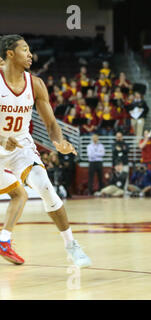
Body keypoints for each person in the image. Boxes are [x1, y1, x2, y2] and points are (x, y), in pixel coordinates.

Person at [0, 35, 91, 267]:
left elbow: (50, 124)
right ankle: (4, 240)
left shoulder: (36, 84)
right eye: (25, 49)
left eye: (30, 50)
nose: (30, 54)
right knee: (18, 195)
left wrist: (58, 142)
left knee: (45, 187)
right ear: (10, 53)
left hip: (21, 147)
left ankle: (71, 245)